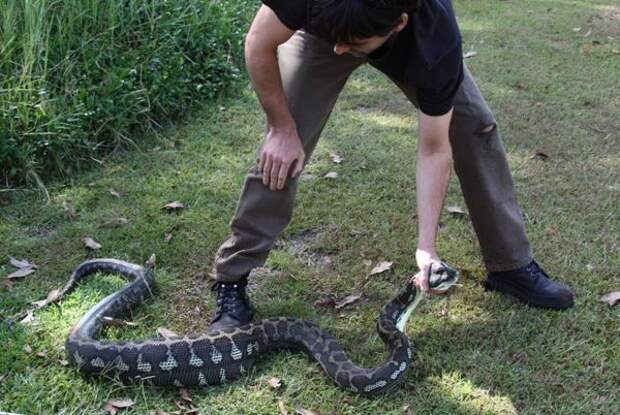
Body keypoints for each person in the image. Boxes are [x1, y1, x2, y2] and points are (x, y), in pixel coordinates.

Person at [207, 0, 574, 332]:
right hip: (322, 24)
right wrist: (280, 127)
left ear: (398, 24)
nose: (342, 52)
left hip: (400, 37)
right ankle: (232, 277)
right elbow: (258, 41)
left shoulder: (435, 41)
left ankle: (510, 266)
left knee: (475, 125)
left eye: (353, 44)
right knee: (285, 146)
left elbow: (434, 149)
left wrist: (426, 248)